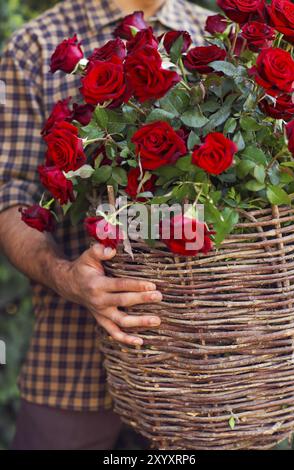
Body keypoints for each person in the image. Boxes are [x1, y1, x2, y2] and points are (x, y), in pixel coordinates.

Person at [0, 0, 210, 450]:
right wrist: (65, 275)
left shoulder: (211, 39)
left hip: (201, 374)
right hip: (71, 368)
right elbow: (11, 198)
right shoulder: (35, 44)